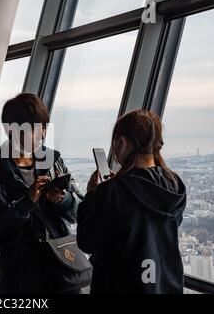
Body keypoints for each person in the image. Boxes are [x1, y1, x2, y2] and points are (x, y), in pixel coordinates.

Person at [0, 93, 83, 294]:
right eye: (33, 128)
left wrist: (61, 199)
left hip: (60, 268)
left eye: (42, 127)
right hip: (17, 274)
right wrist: (26, 203)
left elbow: (75, 212)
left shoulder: (53, 160)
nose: (40, 134)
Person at [76, 110, 186, 294]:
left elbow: (88, 242)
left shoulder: (112, 191)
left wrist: (91, 197)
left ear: (122, 142)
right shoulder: (174, 184)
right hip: (166, 286)